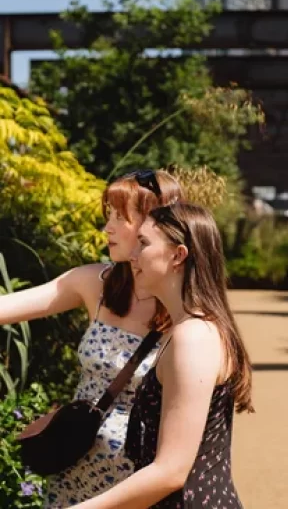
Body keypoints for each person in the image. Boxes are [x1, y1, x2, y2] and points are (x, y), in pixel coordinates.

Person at [0, 169, 182, 507]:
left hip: (135, 488)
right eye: (107, 216)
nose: (107, 228)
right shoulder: (93, 282)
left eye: (120, 217)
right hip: (72, 469)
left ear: (154, 226)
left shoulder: (185, 313)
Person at [72, 202, 254, 509]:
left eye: (143, 244)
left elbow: (170, 471)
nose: (132, 255)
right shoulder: (187, 329)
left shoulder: (192, 338)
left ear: (178, 256)